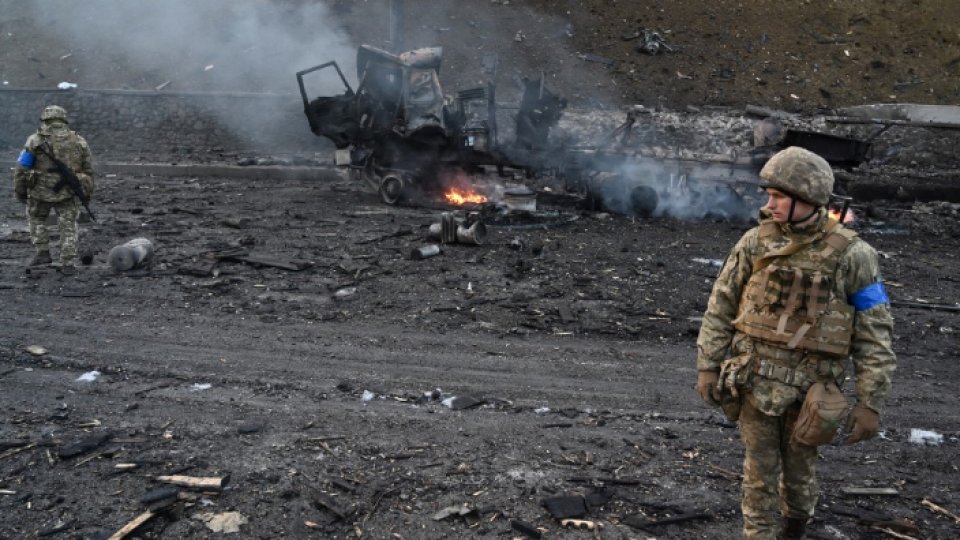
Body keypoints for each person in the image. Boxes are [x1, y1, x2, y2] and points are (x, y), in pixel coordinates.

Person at [695, 146, 896, 539]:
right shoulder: (755, 243)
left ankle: (796, 525)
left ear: (807, 200)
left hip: (813, 390)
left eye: (778, 197)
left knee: (801, 471)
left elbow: (875, 332)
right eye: (768, 195)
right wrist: (708, 363)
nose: (768, 204)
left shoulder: (855, 256)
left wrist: (870, 402)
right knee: (758, 471)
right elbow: (721, 304)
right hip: (753, 380)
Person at [13, 105, 95, 273]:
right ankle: (68, 262)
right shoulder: (79, 140)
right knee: (68, 225)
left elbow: (22, 168)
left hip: (39, 191)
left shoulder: (35, 140)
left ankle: (42, 252)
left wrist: (20, 190)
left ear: (45, 120)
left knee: (36, 219)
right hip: (68, 192)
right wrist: (86, 192)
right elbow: (88, 170)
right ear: (64, 119)